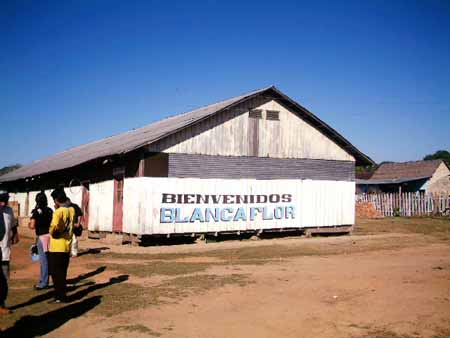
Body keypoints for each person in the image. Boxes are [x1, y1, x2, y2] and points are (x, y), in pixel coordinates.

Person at [48, 188, 75, 303]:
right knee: (63, 273)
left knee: (55, 274)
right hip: (66, 246)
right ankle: (62, 295)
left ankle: (59, 297)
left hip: (56, 246)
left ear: (56, 200)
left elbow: (54, 231)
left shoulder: (57, 213)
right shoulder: (72, 210)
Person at [0, 190, 19, 314]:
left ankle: (1, 305)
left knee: (3, 280)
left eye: (4, 199)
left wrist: (16, 234)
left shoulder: (9, 211)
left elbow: (12, 225)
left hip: (4, 251)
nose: (3, 202)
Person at [29, 192, 53, 290]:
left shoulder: (36, 211)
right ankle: (45, 280)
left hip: (42, 237)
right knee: (49, 259)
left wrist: (29, 223)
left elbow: (32, 226)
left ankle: (43, 282)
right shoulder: (50, 210)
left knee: (44, 261)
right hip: (50, 236)